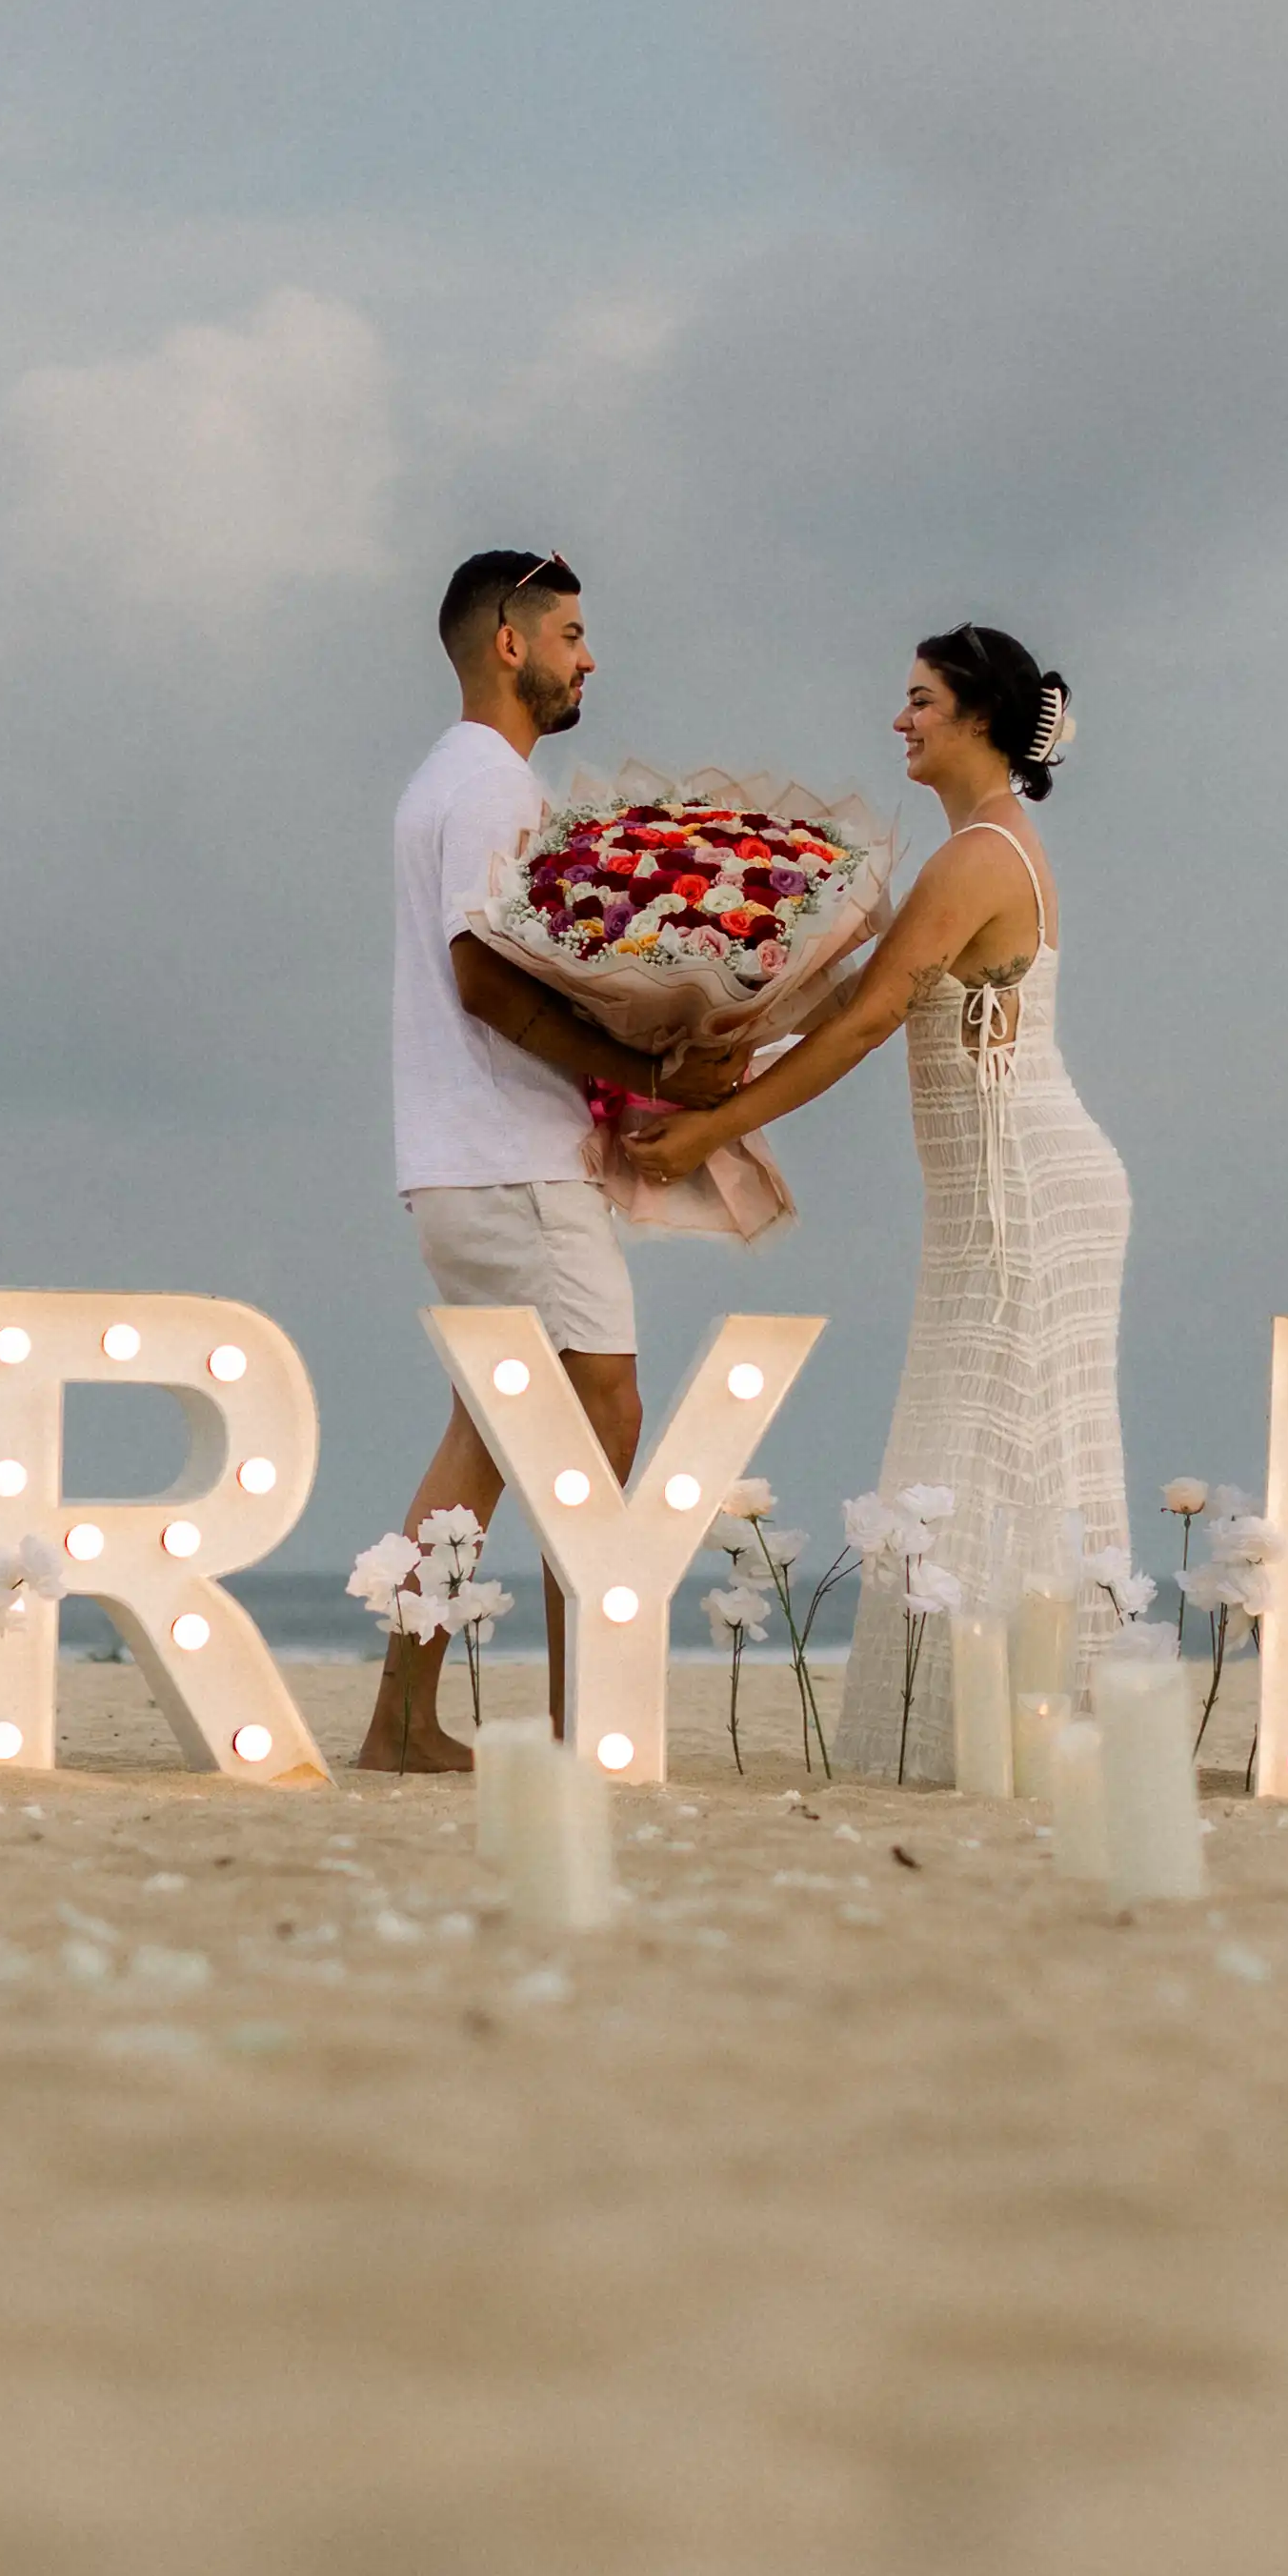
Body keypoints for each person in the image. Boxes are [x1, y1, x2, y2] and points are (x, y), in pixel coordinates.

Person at [625, 626, 1126, 1781]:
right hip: (1005, 1190)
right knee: (980, 1455)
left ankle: (996, 1741)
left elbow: (866, 1019)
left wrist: (712, 1127)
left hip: (1023, 1194)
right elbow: (846, 988)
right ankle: (991, 1734)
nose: (898, 721)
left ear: (979, 718)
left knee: (981, 1452)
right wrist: (722, 1031)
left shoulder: (980, 856)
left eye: (919, 701)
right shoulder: (972, 851)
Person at [366, 551, 725, 1775]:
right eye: (572, 633)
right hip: (512, 1159)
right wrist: (634, 1071)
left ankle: (404, 1719)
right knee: (603, 1412)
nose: (590, 658)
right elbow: (481, 974)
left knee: (485, 1434)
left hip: (457, 1160)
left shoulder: (442, 782)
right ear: (509, 644)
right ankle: (588, 1720)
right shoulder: (488, 788)